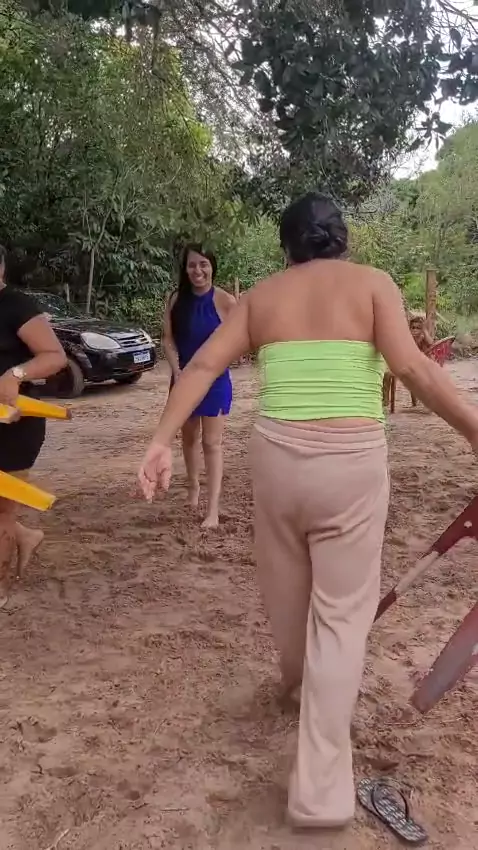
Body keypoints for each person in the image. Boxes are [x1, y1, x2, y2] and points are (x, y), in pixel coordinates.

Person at [138, 193, 478, 829]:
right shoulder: (374, 285)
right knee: (342, 615)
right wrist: (475, 431)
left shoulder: (262, 296)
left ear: (286, 247)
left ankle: (298, 681)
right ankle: (320, 791)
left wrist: (160, 441)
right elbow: (413, 370)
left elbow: (203, 364)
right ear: (343, 240)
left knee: (287, 592)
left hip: (278, 462)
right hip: (351, 464)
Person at [0, 247, 67, 606]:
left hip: (17, 424)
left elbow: (55, 356)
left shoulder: (16, 305)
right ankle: (26, 537)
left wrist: (16, 373)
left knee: (1, 511)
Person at [162, 244, 236, 528]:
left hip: (215, 381)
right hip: (183, 379)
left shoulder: (226, 301)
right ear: (185, 268)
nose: (198, 270)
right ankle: (192, 487)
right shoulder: (175, 299)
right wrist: (177, 370)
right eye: (192, 265)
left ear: (212, 266)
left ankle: (213, 509)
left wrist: (217, 363)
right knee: (189, 438)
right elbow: (168, 339)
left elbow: (238, 341)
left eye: (203, 264)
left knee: (212, 443)